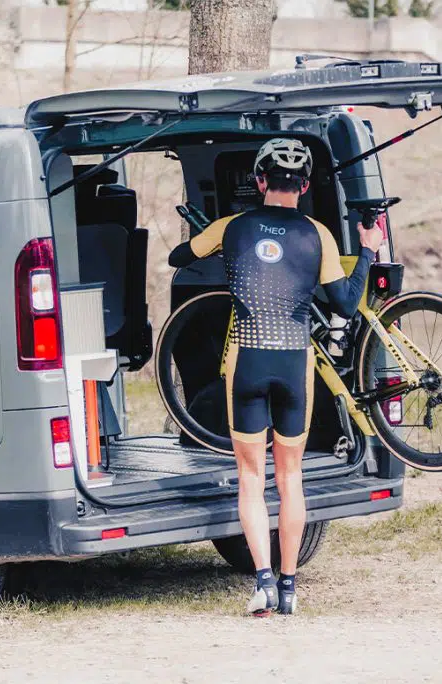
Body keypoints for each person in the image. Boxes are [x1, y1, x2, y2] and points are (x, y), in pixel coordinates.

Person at [169, 138, 383, 616]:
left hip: (247, 362)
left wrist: (207, 239)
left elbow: (178, 258)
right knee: (290, 479)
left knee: (250, 477)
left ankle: (262, 584)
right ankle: (290, 588)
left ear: (260, 182)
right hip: (293, 362)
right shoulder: (319, 234)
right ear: (304, 187)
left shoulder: (233, 227)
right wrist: (367, 251)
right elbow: (346, 303)